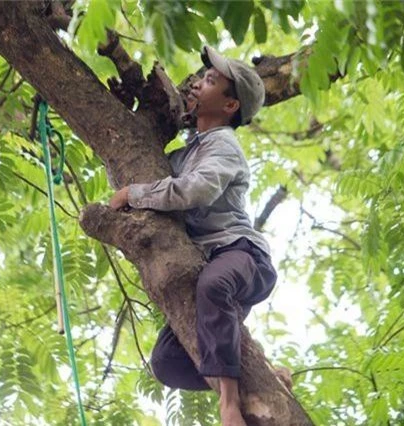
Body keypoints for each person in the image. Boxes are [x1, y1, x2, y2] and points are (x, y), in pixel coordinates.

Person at [109, 46, 277, 426]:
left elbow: (195, 190)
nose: (199, 83)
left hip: (240, 255)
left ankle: (229, 404)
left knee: (213, 284)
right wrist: (130, 191)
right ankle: (260, 377)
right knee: (167, 362)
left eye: (212, 81)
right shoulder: (184, 156)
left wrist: (134, 194)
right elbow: (140, 184)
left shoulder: (223, 145)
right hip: (209, 268)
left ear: (230, 105)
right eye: (202, 77)